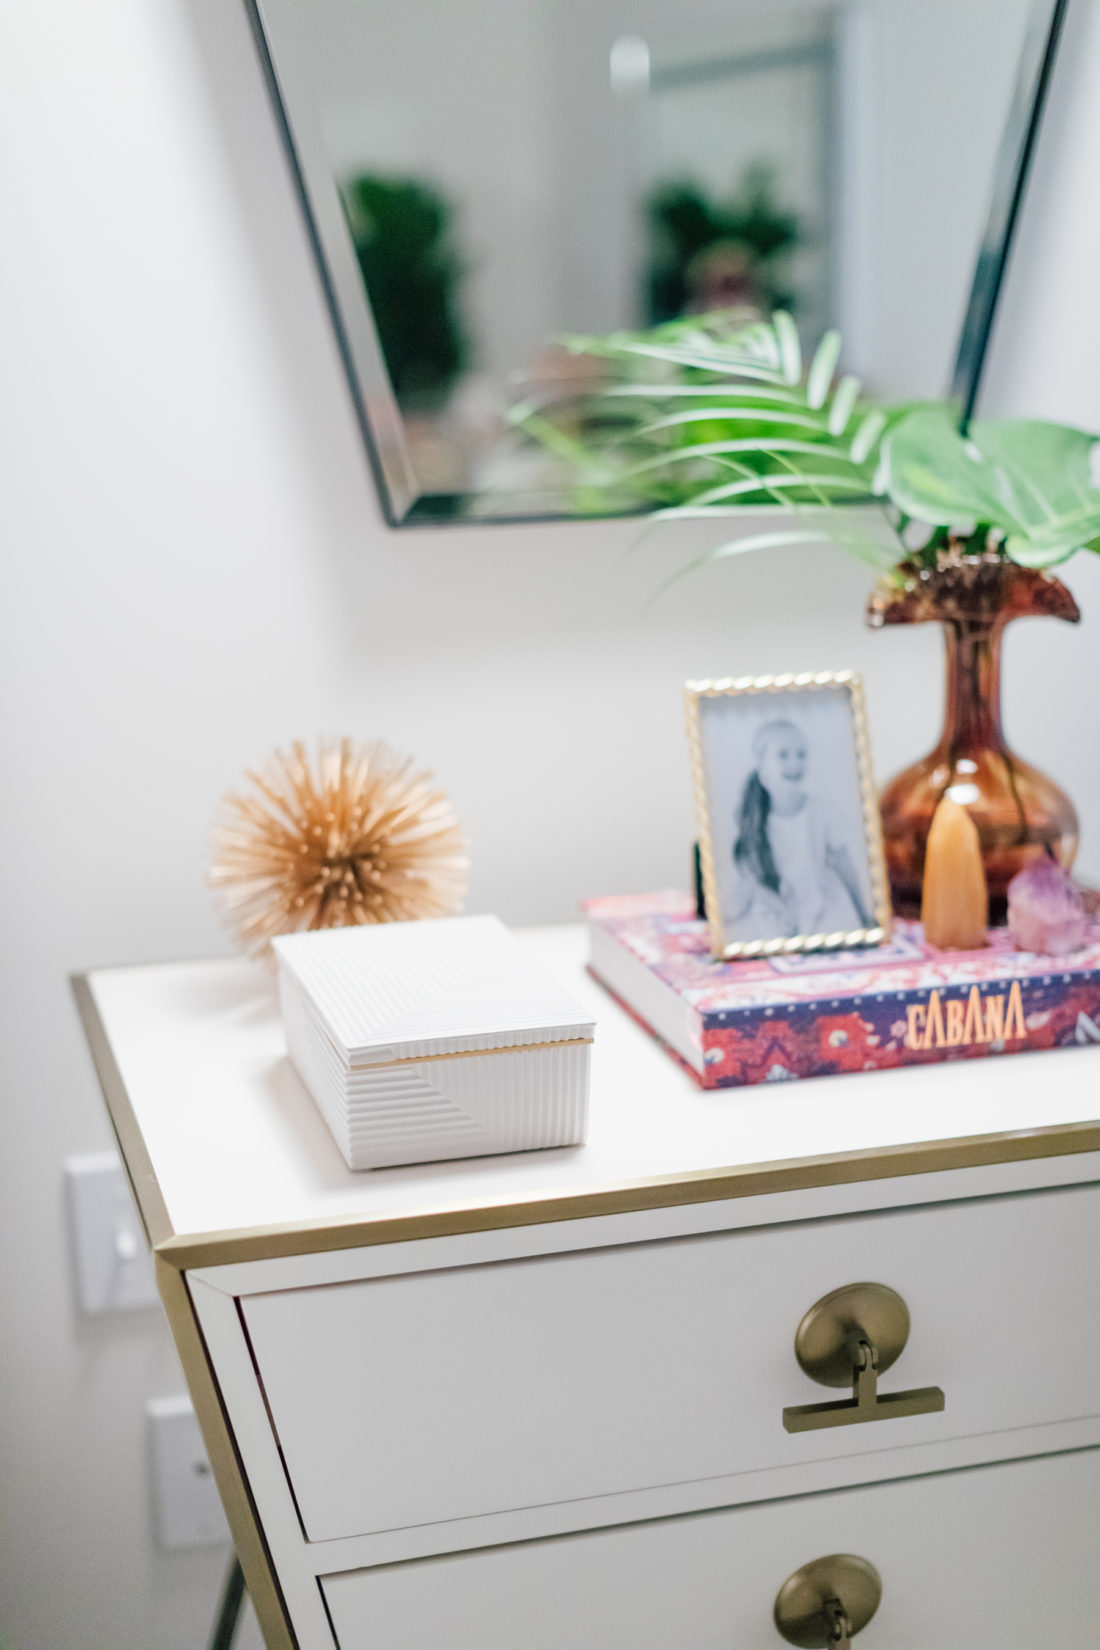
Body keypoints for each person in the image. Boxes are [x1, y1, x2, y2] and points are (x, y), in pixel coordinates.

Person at [729, 717, 872, 938]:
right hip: (775, 906)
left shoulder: (823, 811)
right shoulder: (754, 819)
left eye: (801, 754)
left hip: (823, 906)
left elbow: (845, 865)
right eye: (783, 755)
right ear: (761, 767)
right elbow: (751, 878)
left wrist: (865, 914)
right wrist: (778, 908)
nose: (794, 762)